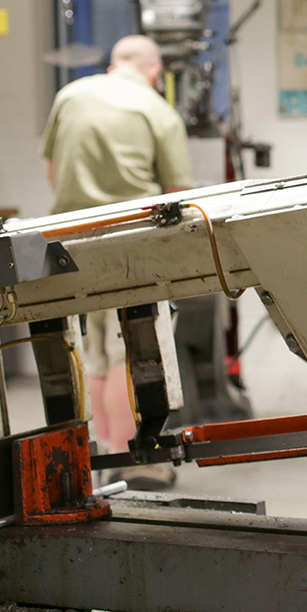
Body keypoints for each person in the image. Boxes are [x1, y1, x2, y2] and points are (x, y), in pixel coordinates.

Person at [41, 34, 192, 489]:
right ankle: (136, 459)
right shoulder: (157, 109)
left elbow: (52, 170)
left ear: (111, 65)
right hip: (132, 248)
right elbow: (178, 195)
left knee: (90, 353)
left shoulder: (69, 95)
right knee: (135, 353)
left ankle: (98, 456)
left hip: (68, 245)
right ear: (154, 71)